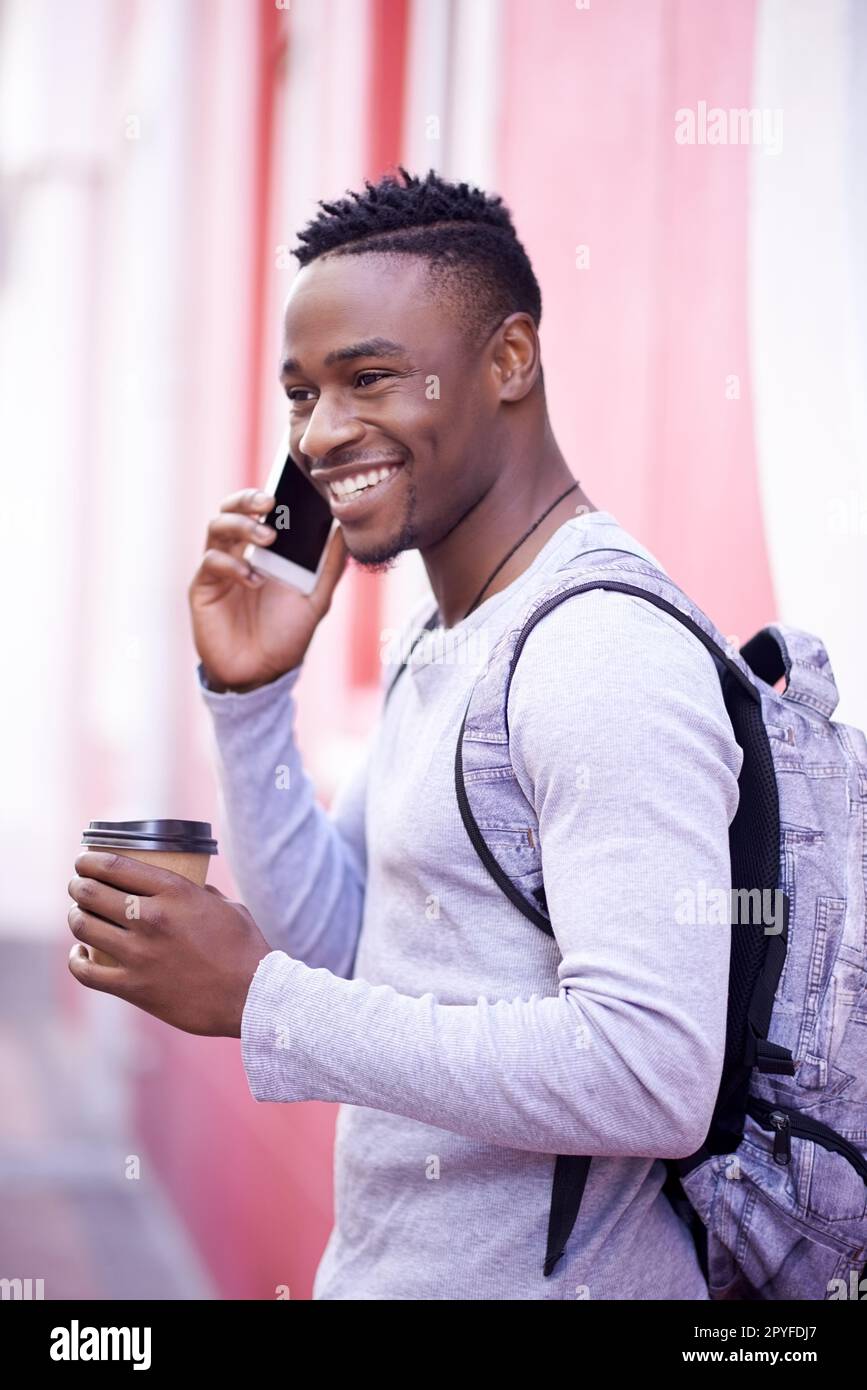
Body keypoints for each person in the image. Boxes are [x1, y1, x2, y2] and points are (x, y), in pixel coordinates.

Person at [71, 168, 743, 1300]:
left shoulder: (601, 653)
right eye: (301, 394)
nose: (323, 433)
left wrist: (262, 1002)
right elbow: (346, 949)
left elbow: (653, 1071)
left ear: (511, 360)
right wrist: (249, 703)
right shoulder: (451, 634)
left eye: (370, 377)